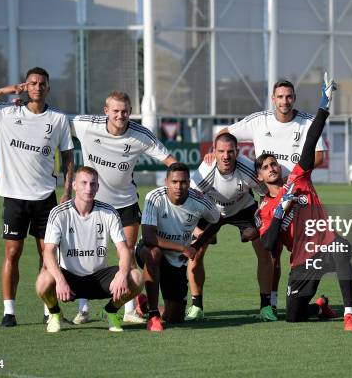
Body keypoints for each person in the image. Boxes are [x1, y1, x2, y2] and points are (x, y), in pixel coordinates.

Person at [0, 67, 74, 327]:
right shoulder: (7, 112)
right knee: (12, 253)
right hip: (14, 197)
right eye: (32, 83)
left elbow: (68, 157)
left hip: (45, 197)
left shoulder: (58, 119)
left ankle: (50, 312)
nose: (37, 87)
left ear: (48, 88)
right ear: (26, 85)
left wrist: (67, 192)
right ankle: (9, 312)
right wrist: (2, 90)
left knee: (47, 255)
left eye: (42, 83)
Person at [256, 74, 352, 331]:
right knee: (294, 316)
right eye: (265, 167)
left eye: (274, 164)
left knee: (342, 248)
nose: (271, 168)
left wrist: (323, 107)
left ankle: (349, 314)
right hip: (302, 260)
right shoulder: (266, 208)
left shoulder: (297, 178)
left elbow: (311, 139)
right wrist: (280, 211)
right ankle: (321, 305)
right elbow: (268, 245)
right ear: (259, 176)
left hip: (324, 244)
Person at [215, 79, 327, 312]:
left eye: (289, 96)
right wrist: (211, 155)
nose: (284, 101)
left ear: (294, 98)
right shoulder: (259, 120)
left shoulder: (306, 121)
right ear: (273, 98)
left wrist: (293, 178)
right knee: (271, 251)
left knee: (304, 248)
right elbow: (224, 133)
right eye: (280, 97)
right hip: (270, 196)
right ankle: (272, 303)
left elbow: (318, 156)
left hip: (299, 196)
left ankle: (305, 298)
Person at [69, 91, 176, 324]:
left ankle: (128, 310)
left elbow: (169, 159)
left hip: (125, 203)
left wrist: (182, 181)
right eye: (115, 111)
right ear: (106, 111)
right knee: (86, 255)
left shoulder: (140, 135)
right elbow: (55, 123)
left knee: (126, 253)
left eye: (125, 111)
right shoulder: (87, 125)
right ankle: (83, 309)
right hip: (92, 202)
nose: (121, 115)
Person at [36, 166, 143, 333]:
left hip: (99, 279)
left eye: (93, 184)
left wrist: (122, 275)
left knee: (135, 277)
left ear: (98, 187)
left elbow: (124, 249)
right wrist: (60, 279)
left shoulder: (109, 212)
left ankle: (111, 311)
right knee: (43, 280)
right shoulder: (59, 213)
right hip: (70, 279)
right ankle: (55, 314)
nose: (89, 188)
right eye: (84, 183)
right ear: (74, 185)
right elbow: (48, 251)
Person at [185, 133, 275, 322]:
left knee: (264, 250)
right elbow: (187, 203)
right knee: (195, 252)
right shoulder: (204, 173)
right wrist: (196, 231)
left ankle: (266, 306)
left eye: (230, 151)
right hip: (211, 210)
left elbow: (266, 195)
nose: (226, 156)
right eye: (221, 152)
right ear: (214, 152)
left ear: (237, 152)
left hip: (244, 209)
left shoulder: (249, 169)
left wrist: (262, 223)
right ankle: (196, 306)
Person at [135, 162, 220, 331]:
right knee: (154, 253)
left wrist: (198, 244)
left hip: (176, 260)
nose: (178, 186)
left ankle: (145, 304)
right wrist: (183, 248)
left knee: (175, 317)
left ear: (189, 183)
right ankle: (153, 315)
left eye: (183, 182)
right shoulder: (154, 197)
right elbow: (150, 237)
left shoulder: (199, 201)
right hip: (149, 250)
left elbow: (217, 219)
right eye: (174, 182)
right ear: (166, 181)